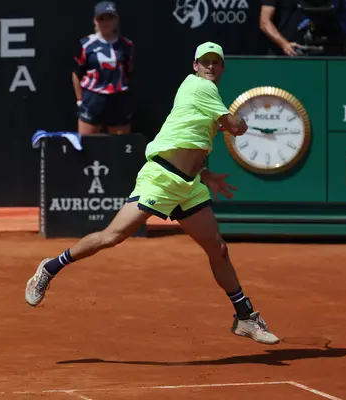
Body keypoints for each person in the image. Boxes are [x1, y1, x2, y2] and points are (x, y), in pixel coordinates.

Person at [27, 42, 280, 345]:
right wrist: (241, 122)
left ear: (222, 68)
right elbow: (235, 126)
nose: (211, 67)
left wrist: (205, 174)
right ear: (195, 66)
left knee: (218, 248)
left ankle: (245, 316)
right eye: (205, 62)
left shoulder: (206, 100)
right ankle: (49, 268)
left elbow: (191, 142)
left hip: (188, 185)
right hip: (160, 179)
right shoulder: (200, 87)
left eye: (216, 62)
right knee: (113, 236)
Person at [72, 1, 134, 135]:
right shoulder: (86, 44)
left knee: (119, 146)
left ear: (116, 20)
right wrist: (80, 100)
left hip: (118, 99)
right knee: (87, 145)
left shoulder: (126, 45)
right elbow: (77, 74)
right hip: (93, 98)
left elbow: (129, 72)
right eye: (101, 18)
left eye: (109, 18)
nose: (106, 23)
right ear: (95, 21)